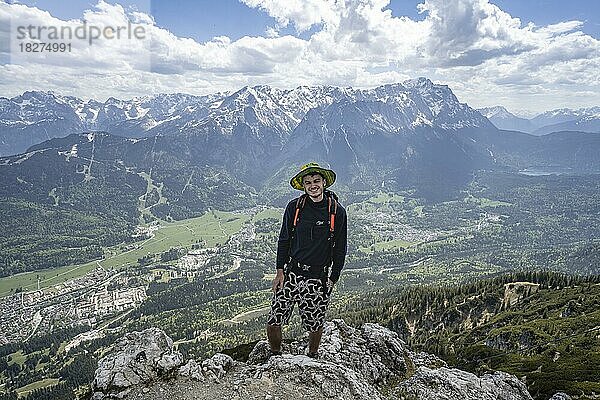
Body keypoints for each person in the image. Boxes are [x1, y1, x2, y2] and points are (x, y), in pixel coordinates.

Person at [266, 162, 348, 358]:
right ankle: (275, 355)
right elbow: (284, 239)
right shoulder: (295, 208)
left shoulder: (337, 212)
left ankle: (312, 355)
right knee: (275, 318)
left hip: (317, 276)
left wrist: (333, 277)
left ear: (324, 183)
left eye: (316, 181)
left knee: (315, 321)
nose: (313, 185)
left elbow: (340, 248)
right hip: (291, 272)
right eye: (308, 182)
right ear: (303, 186)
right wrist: (279, 271)